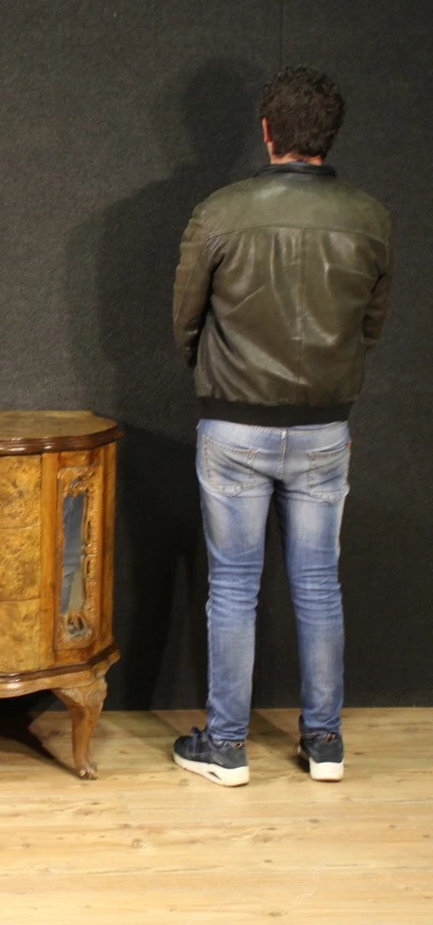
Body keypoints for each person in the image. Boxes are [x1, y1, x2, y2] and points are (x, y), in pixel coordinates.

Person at [170, 66, 393, 786]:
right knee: (318, 582)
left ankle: (226, 748)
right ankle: (324, 743)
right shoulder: (370, 217)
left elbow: (185, 321)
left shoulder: (222, 212)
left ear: (268, 132)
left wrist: (213, 374)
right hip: (326, 429)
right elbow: (370, 325)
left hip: (233, 427)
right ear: (329, 134)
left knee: (234, 586)